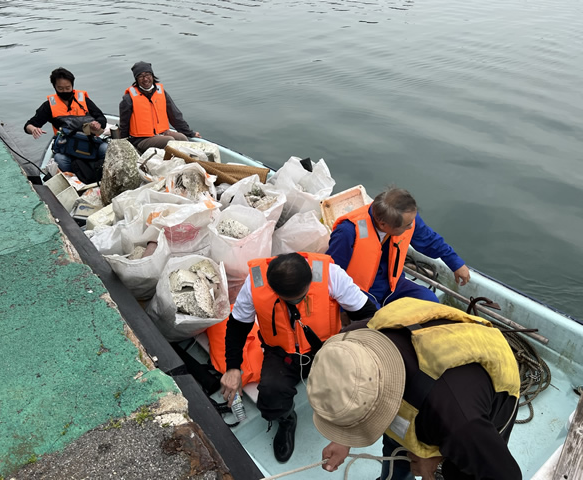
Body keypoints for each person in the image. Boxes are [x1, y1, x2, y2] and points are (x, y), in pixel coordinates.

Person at [306, 297, 522, 480]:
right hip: (420, 374)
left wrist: (437, 467)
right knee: (398, 439)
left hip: (488, 380)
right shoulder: (349, 344)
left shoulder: (460, 423)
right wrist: (344, 437)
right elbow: (355, 391)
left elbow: (506, 475)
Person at [220, 252, 377, 463]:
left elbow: (367, 314)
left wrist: (353, 348)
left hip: (326, 347)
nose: (296, 302)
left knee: (358, 385)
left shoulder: (331, 274)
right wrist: (232, 367)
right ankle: (287, 420)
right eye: (289, 300)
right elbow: (238, 326)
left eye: (301, 297)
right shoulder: (254, 283)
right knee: (270, 399)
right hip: (281, 353)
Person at [327, 187, 470, 310]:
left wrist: (456, 263)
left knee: (429, 301)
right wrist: (342, 309)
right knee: (376, 320)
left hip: (392, 285)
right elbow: (328, 273)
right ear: (383, 225)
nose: (411, 227)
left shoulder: (408, 219)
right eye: (407, 225)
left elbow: (429, 240)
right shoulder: (348, 231)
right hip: (359, 291)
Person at [24, 67, 108, 173]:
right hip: (67, 148)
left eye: (68, 88)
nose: (64, 91)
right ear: (55, 87)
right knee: (59, 159)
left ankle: (101, 172)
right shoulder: (49, 106)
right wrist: (33, 129)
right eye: (60, 89)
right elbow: (29, 124)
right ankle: (73, 179)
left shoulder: (83, 100)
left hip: (89, 144)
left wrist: (98, 124)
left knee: (105, 148)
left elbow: (101, 118)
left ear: (72, 86)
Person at [119, 61, 201, 154]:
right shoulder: (128, 99)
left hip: (161, 133)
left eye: (147, 75)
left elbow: (175, 116)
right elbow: (124, 124)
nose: (145, 79)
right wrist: (123, 144)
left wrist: (190, 133)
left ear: (152, 76)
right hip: (140, 140)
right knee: (169, 141)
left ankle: (186, 161)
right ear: (136, 79)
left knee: (182, 138)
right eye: (141, 76)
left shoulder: (161, 93)